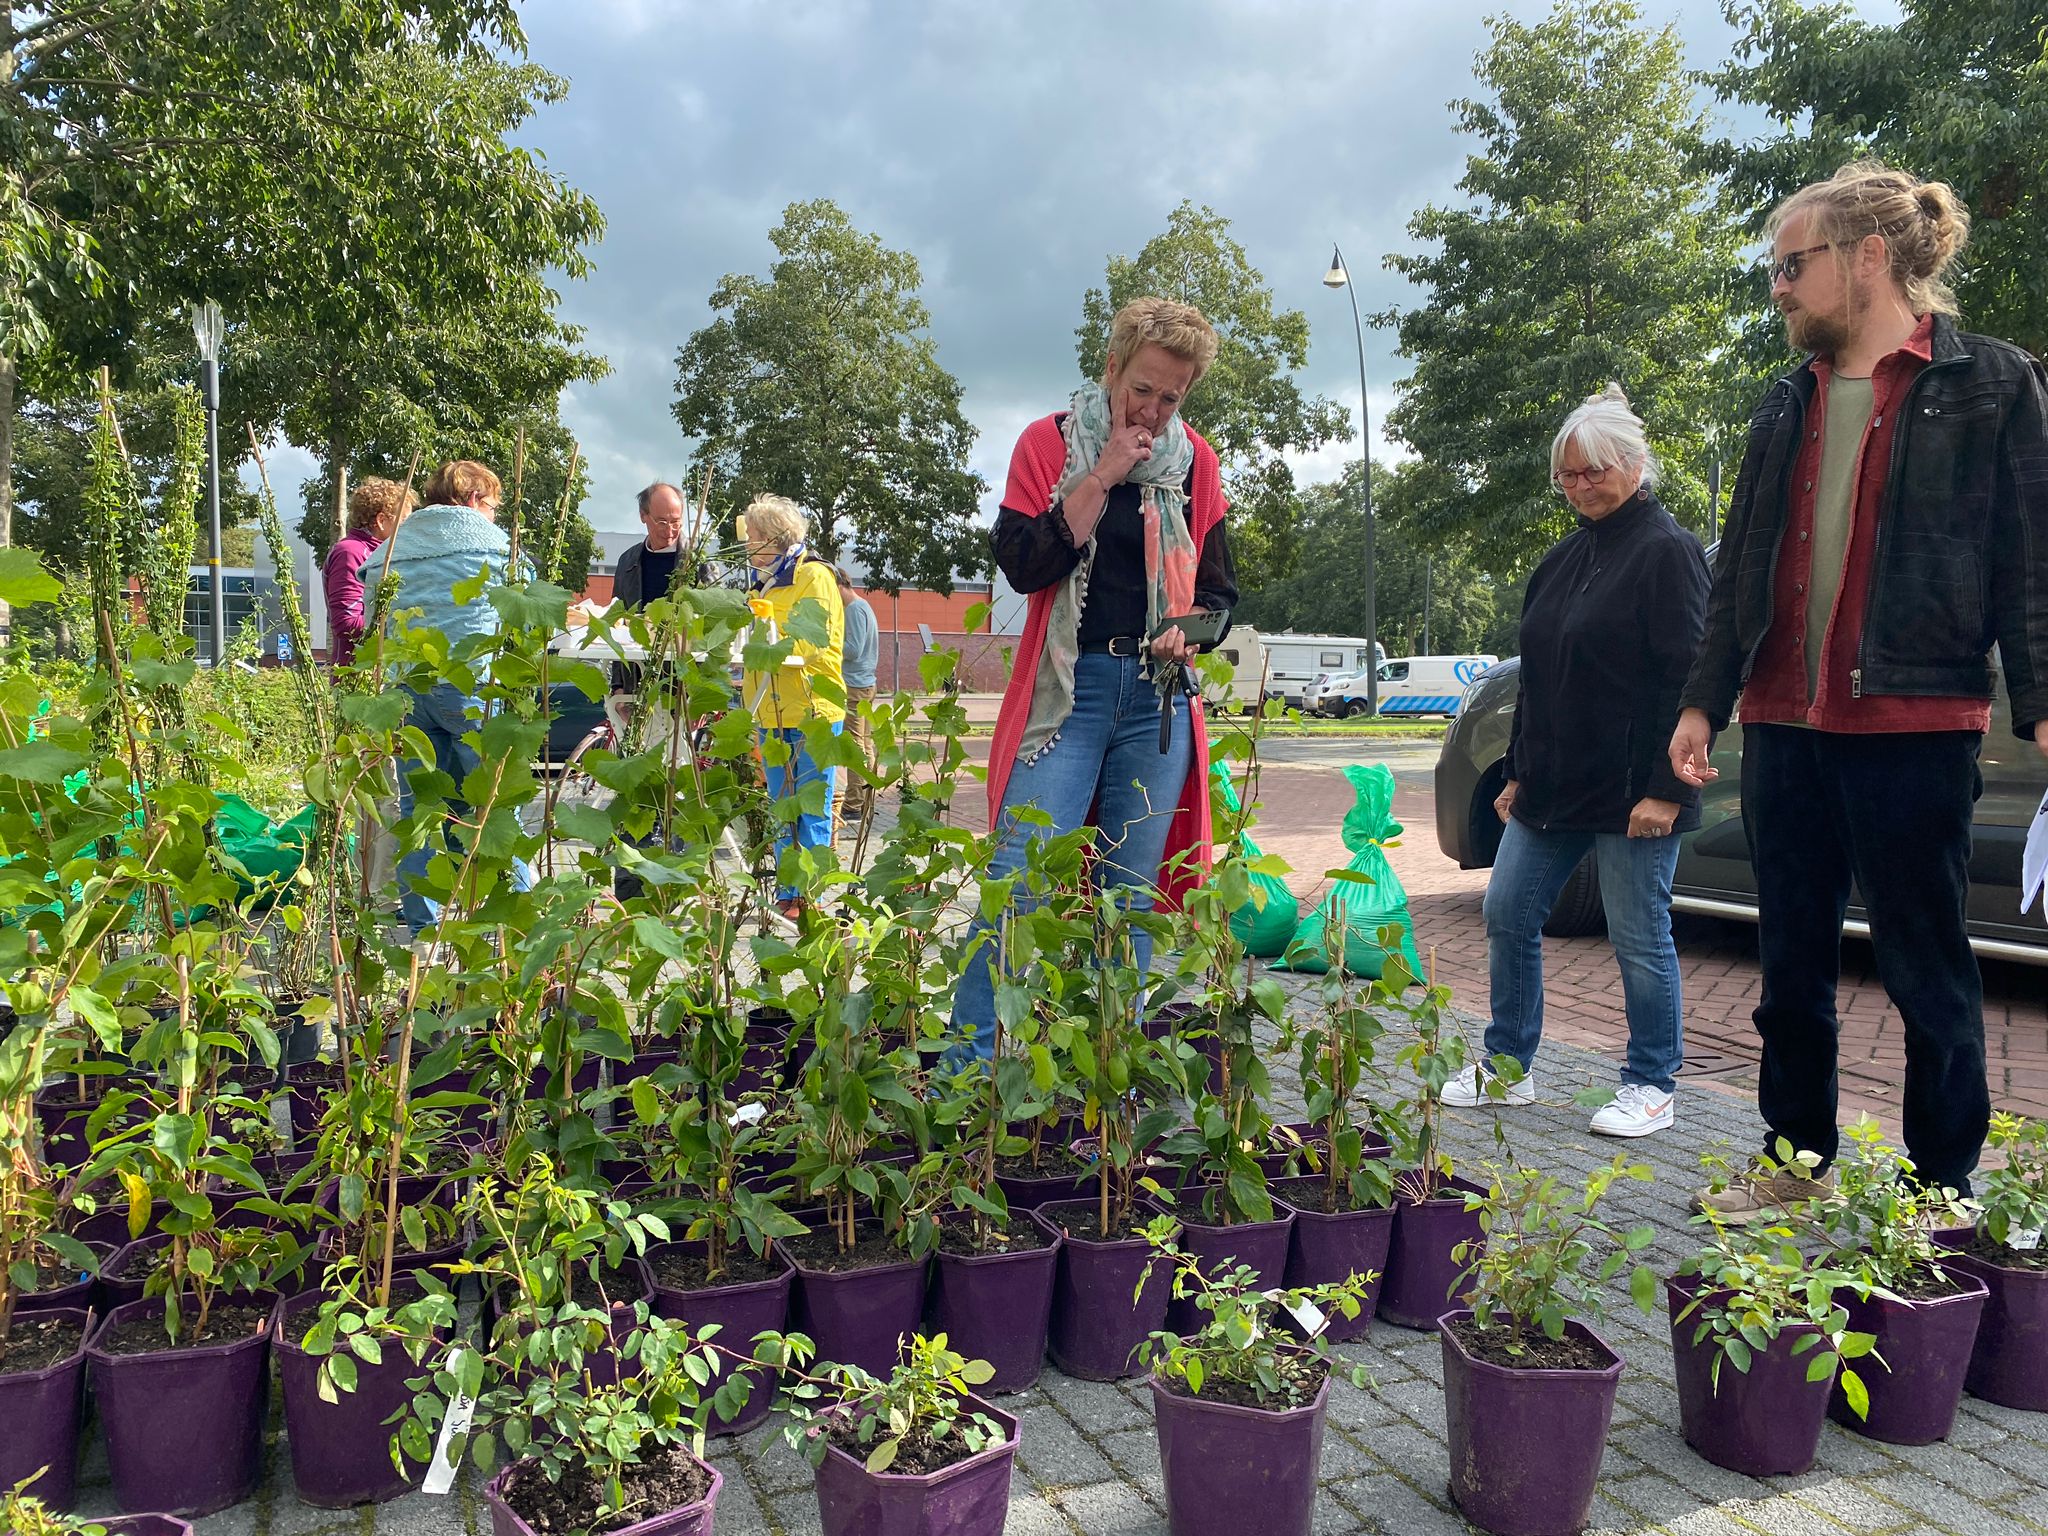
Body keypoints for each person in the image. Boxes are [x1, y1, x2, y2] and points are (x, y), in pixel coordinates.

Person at [1670, 162, 2048, 1211]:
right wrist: (1704, 698)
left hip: (1915, 718)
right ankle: (1794, 1166)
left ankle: (1941, 1184)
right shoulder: (1780, 400)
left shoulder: (1992, 382)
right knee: (1787, 963)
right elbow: (1739, 562)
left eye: (1791, 266)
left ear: (1867, 257)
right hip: (1785, 717)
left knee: (1926, 964)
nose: (1777, 288)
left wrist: (2041, 698)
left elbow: (2030, 551)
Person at [951, 296, 1238, 1065]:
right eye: (1142, 386)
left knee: (1128, 900)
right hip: (1067, 694)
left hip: (1156, 702)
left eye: (1171, 396)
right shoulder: (1048, 445)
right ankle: (964, 1080)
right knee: (1019, 883)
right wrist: (1105, 474)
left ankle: (1105, 1080)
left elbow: (1219, 594)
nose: (1152, 407)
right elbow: (1025, 564)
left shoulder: (1196, 464)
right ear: (1112, 368)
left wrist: (1194, 627)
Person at [1444, 386, 1708, 1137]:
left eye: (1595, 470)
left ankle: (1651, 1082)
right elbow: (1540, 676)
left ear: (1633, 464)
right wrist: (1520, 769)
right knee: (1507, 913)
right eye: (1569, 473)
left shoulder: (1670, 552)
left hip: (1635, 793)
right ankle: (1507, 1066)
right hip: (1553, 789)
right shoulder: (1560, 561)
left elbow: (1685, 679)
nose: (1582, 485)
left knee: (1638, 936)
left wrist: (1665, 789)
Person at [369, 458, 536, 936]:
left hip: (408, 689)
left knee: (418, 811)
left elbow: (370, 589)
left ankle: (422, 930)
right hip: (471, 688)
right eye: (492, 506)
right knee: (494, 811)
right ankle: (512, 924)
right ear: (471, 499)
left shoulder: (396, 545)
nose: (494, 517)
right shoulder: (491, 545)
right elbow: (523, 604)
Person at [740, 494, 845, 922]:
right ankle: (789, 892)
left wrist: (768, 635)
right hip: (771, 709)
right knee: (782, 807)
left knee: (812, 808)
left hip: (811, 710)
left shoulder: (814, 576)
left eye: (753, 537)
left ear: (772, 538)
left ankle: (813, 896)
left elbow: (814, 639)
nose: (748, 545)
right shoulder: (761, 580)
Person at [324, 477, 415, 667]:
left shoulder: (381, 554)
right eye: (404, 521)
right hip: (356, 676)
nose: (408, 530)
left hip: (380, 671)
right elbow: (346, 623)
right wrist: (402, 624)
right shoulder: (351, 552)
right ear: (381, 520)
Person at [834, 567, 880, 833]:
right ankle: (866, 798)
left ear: (840, 585)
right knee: (865, 743)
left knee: (855, 745)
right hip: (865, 683)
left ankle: (854, 802)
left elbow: (853, 649)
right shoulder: (863, 606)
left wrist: (828, 642)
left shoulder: (853, 609)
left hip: (854, 685)